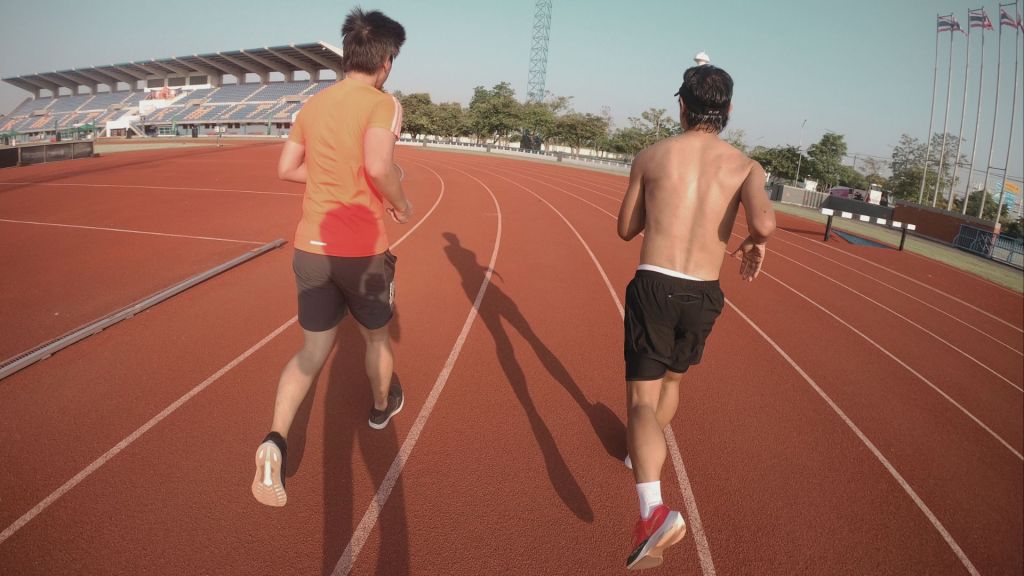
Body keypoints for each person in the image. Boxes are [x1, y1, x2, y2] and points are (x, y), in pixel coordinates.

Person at [616, 64, 775, 569]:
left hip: (655, 283)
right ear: (728, 110)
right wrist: (753, 241)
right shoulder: (746, 166)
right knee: (672, 381)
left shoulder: (652, 155)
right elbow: (765, 222)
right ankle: (640, 453)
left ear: (681, 105)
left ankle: (652, 510)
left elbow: (626, 228)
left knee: (640, 401)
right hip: (703, 293)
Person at [252, 7, 412, 508]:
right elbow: (378, 167)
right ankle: (382, 407)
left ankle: (275, 439)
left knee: (311, 351)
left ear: (347, 55)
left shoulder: (314, 105)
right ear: (386, 61)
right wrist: (400, 202)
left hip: (311, 249)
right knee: (377, 337)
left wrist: (328, 177)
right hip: (362, 253)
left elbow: (286, 168)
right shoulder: (384, 104)